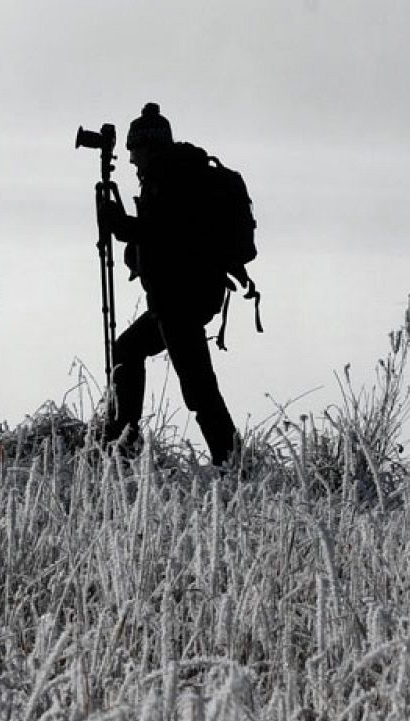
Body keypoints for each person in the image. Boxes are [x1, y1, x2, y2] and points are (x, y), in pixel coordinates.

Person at [97, 103, 242, 466]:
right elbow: (162, 234)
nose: (131, 160)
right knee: (129, 350)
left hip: (180, 301)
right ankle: (122, 442)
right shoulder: (177, 175)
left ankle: (232, 462)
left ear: (150, 146)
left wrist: (121, 225)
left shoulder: (170, 179)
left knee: (198, 388)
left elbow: (164, 233)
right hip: (180, 298)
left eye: (135, 150)